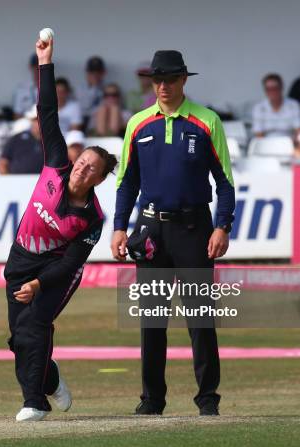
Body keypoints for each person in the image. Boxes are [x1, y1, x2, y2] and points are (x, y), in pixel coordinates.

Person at [111, 50, 235, 417]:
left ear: (184, 80)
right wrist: (119, 227)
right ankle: (152, 400)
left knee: (200, 318)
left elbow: (225, 183)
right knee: (152, 320)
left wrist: (222, 226)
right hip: (149, 231)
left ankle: (208, 399)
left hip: (194, 229)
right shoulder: (137, 123)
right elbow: (125, 182)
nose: (163, 87)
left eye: (170, 79)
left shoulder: (206, 121)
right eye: (157, 80)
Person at [5, 36, 117, 422]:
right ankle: (51, 381)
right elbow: (47, 111)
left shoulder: (91, 220)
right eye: (82, 161)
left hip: (54, 273)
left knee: (35, 325)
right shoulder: (55, 162)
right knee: (18, 340)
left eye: (92, 169)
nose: (82, 169)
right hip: (20, 258)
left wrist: (39, 284)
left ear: (99, 180)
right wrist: (45, 63)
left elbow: (70, 265)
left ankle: (34, 402)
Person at [252, 73, 300, 141]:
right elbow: (258, 133)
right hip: (266, 145)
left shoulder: (294, 105)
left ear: (281, 88)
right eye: (268, 89)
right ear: (265, 90)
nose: (272, 92)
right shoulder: (258, 108)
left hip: (289, 144)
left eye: (275, 88)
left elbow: (298, 131)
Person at [0, 105, 43, 174]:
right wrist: (7, 181)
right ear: (31, 121)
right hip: (16, 181)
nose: (39, 122)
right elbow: (3, 163)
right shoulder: (16, 139)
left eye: (42, 119)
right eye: (36, 119)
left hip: (45, 182)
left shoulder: (54, 142)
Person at [76, 56, 107, 128]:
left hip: (101, 123)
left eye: (98, 72)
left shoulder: (108, 88)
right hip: (83, 122)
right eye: (92, 72)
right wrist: (94, 87)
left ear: (103, 73)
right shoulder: (80, 89)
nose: (95, 75)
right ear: (87, 73)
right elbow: (85, 108)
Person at [12, 53, 39, 119]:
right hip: (27, 124)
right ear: (30, 67)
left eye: (41, 66)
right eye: (36, 66)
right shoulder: (22, 89)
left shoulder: (54, 88)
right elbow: (17, 114)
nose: (38, 69)